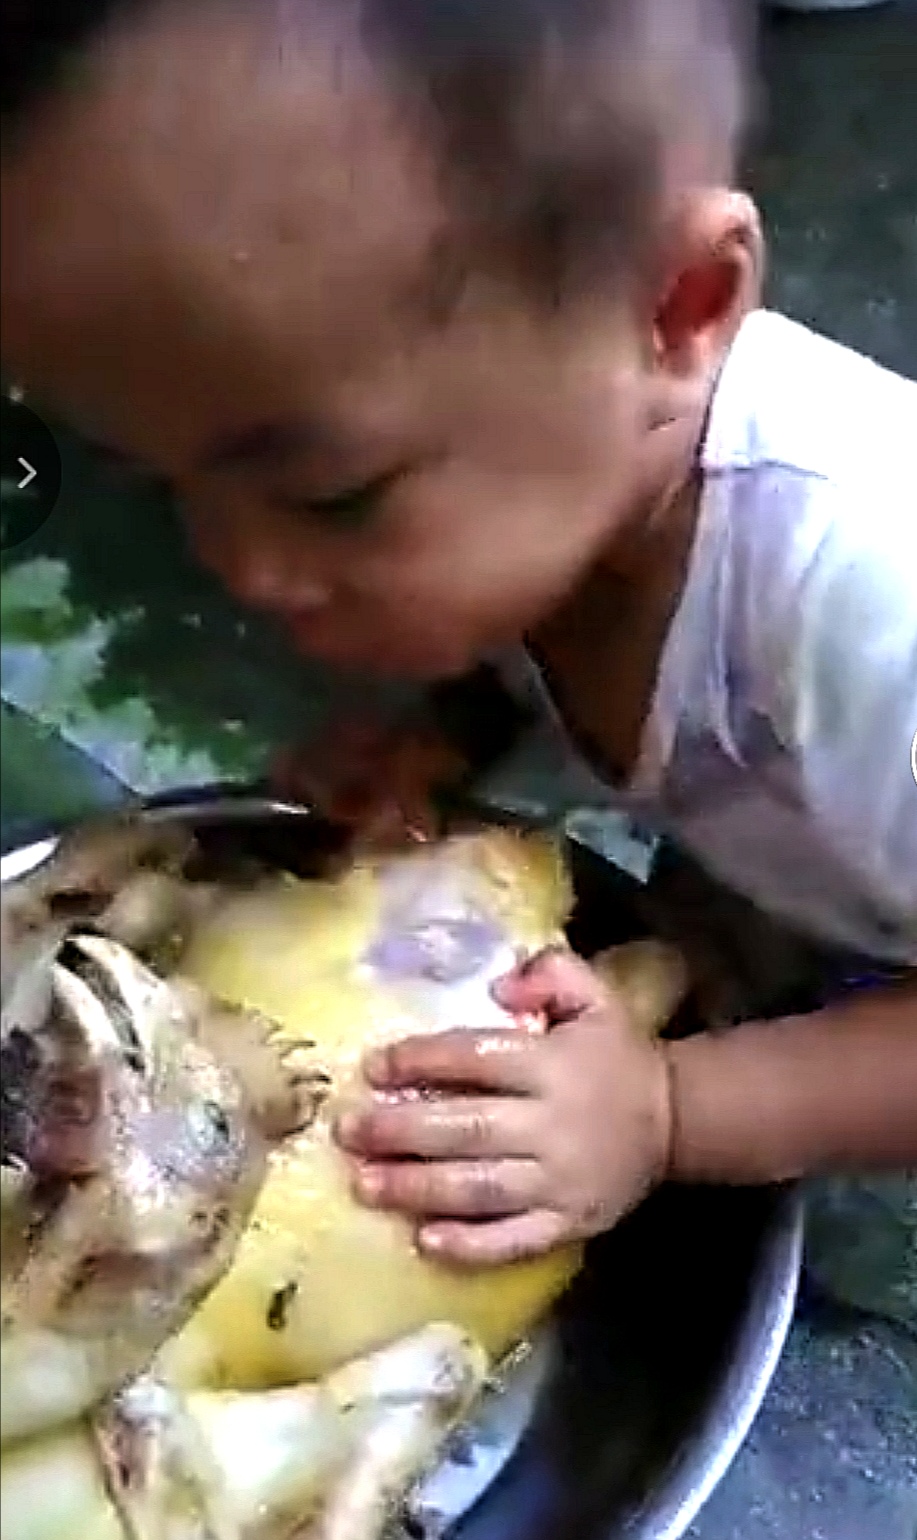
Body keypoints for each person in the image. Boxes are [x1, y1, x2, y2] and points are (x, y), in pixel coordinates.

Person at [2, 1, 915, 1286]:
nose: (237, 567)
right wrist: (451, 734)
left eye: (332, 495)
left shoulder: (869, 613)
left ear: (676, 308)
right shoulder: (563, 468)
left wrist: (675, 1108)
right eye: (170, 484)